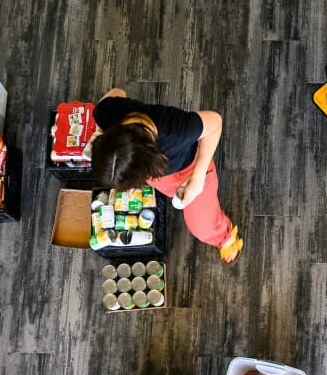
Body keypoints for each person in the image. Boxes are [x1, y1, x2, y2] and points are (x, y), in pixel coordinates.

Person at [90, 88, 243, 264]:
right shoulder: (106, 113)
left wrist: (199, 176)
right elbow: (118, 92)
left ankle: (224, 236)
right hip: (160, 173)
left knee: (201, 225)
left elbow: (215, 122)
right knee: (173, 194)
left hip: (190, 169)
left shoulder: (174, 131)